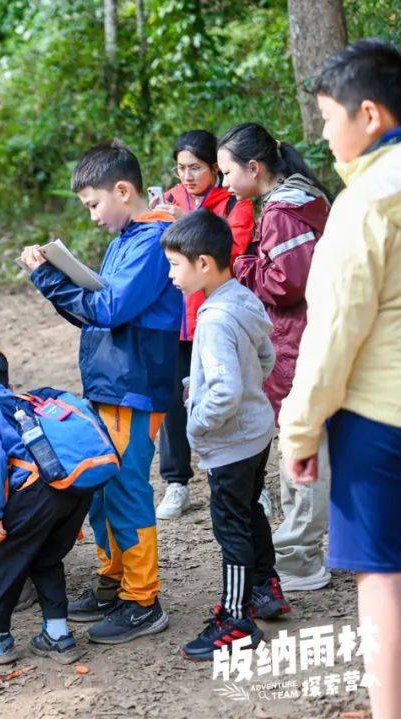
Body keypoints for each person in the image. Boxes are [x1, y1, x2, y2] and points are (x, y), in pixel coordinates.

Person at [280, 39, 401, 718]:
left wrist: (300, 427)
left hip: (381, 421)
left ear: (372, 115)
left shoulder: (364, 207)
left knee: (382, 573)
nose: (324, 133)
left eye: (330, 117)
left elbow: (333, 335)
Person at [20, 141, 181, 645]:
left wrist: (51, 277)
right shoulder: (126, 237)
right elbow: (94, 308)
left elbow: (109, 309)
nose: (91, 216)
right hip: (111, 383)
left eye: (93, 204)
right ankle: (113, 580)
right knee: (103, 485)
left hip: (135, 387)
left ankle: (143, 599)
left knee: (128, 488)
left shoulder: (153, 240)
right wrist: (50, 282)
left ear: (123, 190)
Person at [160, 210, 290, 660]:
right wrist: (245, 390)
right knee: (250, 509)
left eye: (175, 264)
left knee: (229, 525)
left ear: (203, 264)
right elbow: (266, 357)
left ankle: (236, 620)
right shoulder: (241, 298)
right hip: (256, 434)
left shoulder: (213, 319)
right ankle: (264, 586)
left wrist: (196, 423)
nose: (171, 274)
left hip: (232, 444)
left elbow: (226, 390)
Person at [216, 124, 332, 592]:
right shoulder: (304, 198)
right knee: (308, 442)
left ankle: (299, 555)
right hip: (309, 337)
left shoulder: (283, 211)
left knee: (301, 446)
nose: (224, 183)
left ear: (254, 168)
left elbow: (287, 284)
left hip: (297, 341)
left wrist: (237, 266)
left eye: (226, 173)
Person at [0, 348, 92, 665]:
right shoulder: (26, 401)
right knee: (46, 556)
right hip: (74, 489)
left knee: (4, 554)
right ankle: (58, 635)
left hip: (36, 492)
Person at [151, 130, 255, 520]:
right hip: (174, 320)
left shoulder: (234, 203)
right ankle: (176, 481)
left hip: (217, 319)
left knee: (226, 392)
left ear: (215, 166)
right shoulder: (170, 200)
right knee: (172, 403)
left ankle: (242, 480)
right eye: (180, 168)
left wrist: (190, 221)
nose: (187, 176)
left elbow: (234, 252)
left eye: (195, 167)